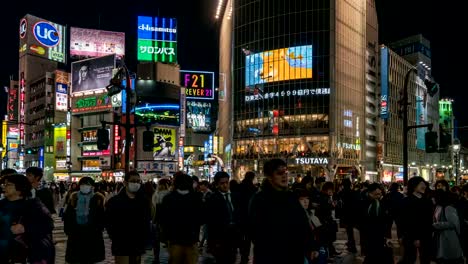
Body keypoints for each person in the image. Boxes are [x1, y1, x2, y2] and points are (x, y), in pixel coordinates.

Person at [249, 159, 318, 264]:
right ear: (269, 176)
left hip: (294, 255)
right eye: (279, 173)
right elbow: (257, 232)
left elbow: (303, 223)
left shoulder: (291, 197)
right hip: (270, 257)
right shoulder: (260, 200)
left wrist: (310, 245)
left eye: (286, 172)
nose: (284, 176)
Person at [0, 174, 55, 263]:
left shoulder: (34, 205)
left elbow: (48, 224)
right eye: (4, 184)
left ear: (19, 189)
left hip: (24, 254)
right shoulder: (2, 204)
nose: (4, 187)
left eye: (8, 185)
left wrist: (25, 228)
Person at [106, 171, 151, 264]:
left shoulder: (144, 201)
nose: (136, 183)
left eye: (138, 181)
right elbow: (109, 221)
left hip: (138, 241)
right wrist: (114, 236)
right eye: (133, 181)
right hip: (121, 242)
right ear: (125, 182)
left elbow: (147, 220)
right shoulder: (115, 201)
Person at [160, 173, 203, 264]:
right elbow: (201, 218)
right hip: (191, 239)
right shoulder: (196, 198)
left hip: (175, 239)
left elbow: (164, 220)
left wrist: (166, 237)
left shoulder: (168, 198)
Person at [64, 177, 106, 264]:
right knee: (76, 259)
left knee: (90, 259)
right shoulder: (74, 197)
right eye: (83, 184)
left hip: (92, 235)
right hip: (76, 234)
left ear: (92, 186)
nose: (85, 186)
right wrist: (68, 230)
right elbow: (68, 215)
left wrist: (99, 228)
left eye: (87, 184)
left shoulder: (98, 198)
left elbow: (102, 216)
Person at [206, 171, 242, 264]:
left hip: (234, 236)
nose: (225, 185)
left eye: (227, 182)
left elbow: (239, 215)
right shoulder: (212, 199)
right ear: (217, 184)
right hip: (220, 238)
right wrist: (212, 243)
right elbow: (211, 222)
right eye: (222, 183)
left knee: (232, 259)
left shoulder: (235, 196)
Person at [400, 176, 433, 264]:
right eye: (421, 184)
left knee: (426, 259)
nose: (424, 186)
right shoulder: (406, 201)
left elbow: (429, 220)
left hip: (426, 236)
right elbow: (406, 222)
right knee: (409, 258)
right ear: (414, 186)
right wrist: (415, 238)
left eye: (424, 184)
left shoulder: (427, 201)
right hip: (410, 237)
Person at [357, 183, 393, 264]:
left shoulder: (382, 203)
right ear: (370, 193)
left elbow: (387, 219)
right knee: (371, 257)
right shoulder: (363, 203)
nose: (379, 196)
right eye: (376, 194)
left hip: (381, 236)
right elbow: (359, 221)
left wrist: (387, 235)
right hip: (369, 237)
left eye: (380, 194)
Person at [432, 189, 464, 264]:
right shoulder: (438, 206)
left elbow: (453, 223)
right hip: (439, 236)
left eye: (434, 197)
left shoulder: (448, 208)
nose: (432, 198)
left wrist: (436, 225)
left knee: (449, 259)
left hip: (449, 237)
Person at [238, 171, 258, 264]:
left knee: (242, 237)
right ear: (252, 178)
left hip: (241, 216)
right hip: (250, 217)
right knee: (250, 238)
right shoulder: (253, 189)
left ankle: (243, 255)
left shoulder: (240, 186)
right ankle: (246, 256)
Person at [151, 178, 171, 264]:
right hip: (163, 221)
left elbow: (154, 208)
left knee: (157, 241)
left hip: (159, 220)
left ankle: (156, 258)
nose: (160, 186)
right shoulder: (167, 194)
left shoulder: (157, 195)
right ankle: (168, 257)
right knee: (165, 241)